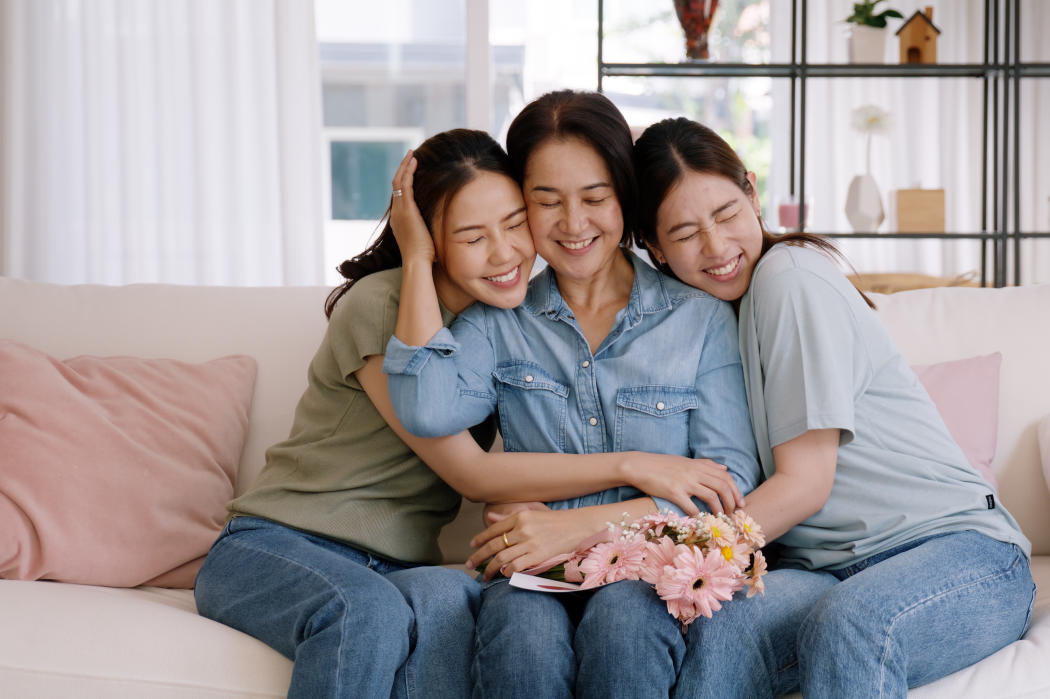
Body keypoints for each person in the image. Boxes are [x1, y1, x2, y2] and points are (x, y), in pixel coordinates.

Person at [194, 128, 743, 699]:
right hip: (286, 540)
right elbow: (467, 467)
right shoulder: (385, 307)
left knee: (453, 607)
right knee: (368, 615)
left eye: (513, 224)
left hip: (396, 562)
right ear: (432, 239)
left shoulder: (494, 321)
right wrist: (634, 464)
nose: (505, 253)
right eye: (471, 236)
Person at [630, 117, 1036, 699]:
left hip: (959, 556)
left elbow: (804, 486)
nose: (717, 248)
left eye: (726, 214)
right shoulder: (711, 321)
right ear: (654, 246)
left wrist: (673, 562)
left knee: (849, 626)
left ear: (751, 191)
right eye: (686, 232)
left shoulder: (788, 281)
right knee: (723, 627)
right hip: (831, 573)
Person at [383, 92, 761, 698]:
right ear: (520, 203)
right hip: (530, 570)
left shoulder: (699, 320)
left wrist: (583, 529)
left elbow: (726, 484)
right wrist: (419, 254)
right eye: (546, 201)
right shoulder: (496, 322)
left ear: (623, 196)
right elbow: (427, 408)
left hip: (647, 575)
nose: (574, 223)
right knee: (521, 633)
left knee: (625, 620)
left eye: (594, 197)